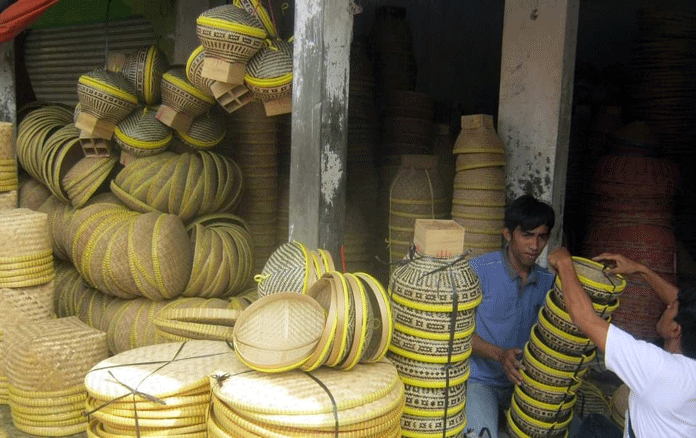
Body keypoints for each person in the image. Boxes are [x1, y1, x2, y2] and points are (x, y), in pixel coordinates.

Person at [548, 250, 696, 438]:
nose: (666, 305)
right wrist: (641, 270)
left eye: (670, 308)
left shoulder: (658, 368)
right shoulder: (687, 370)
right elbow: (682, 306)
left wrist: (565, 263)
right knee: (595, 424)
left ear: (675, 331)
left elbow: (584, 318)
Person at [464, 194, 556, 437]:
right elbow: (457, 333)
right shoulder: (479, 271)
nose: (535, 246)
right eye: (527, 235)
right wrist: (500, 355)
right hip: (480, 380)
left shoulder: (548, 282)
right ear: (507, 234)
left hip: (525, 384)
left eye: (542, 236)